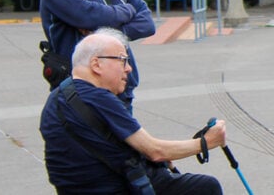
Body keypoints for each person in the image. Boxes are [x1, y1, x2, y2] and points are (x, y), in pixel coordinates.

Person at [40, 28, 226, 194]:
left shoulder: (56, 97)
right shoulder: (99, 98)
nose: (128, 69)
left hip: (73, 188)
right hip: (116, 186)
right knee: (207, 187)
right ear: (96, 64)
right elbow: (156, 151)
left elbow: (100, 143)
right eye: (122, 60)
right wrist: (206, 142)